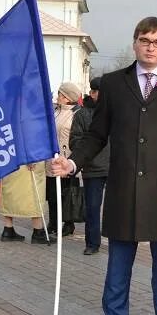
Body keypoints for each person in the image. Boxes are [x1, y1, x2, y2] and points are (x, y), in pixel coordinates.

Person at [49, 16, 157, 315]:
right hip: (123, 194)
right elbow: (97, 134)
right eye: (144, 40)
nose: (150, 46)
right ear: (135, 43)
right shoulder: (116, 84)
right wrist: (73, 164)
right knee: (117, 272)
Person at [69, 77, 109, 255]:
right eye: (95, 91)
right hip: (93, 168)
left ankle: (118, 241)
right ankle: (92, 243)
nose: (98, 95)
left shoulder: (116, 111)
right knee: (92, 207)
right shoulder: (82, 114)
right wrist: (87, 156)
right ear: (92, 93)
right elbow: (75, 140)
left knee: (116, 207)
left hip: (115, 167)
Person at [47, 82, 81, 237]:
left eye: (61, 94)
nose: (58, 97)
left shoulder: (76, 114)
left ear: (68, 98)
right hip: (51, 159)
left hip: (66, 160)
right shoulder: (55, 111)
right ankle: (53, 222)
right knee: (52, 194)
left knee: (66, 194)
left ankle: (68, 223)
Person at [0, 163, 55, 244]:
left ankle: (8, 229)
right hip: (29, 158)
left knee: (9, 190)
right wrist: (31, 158)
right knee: (34, 189)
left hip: (10, 158)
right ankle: (38, 230)